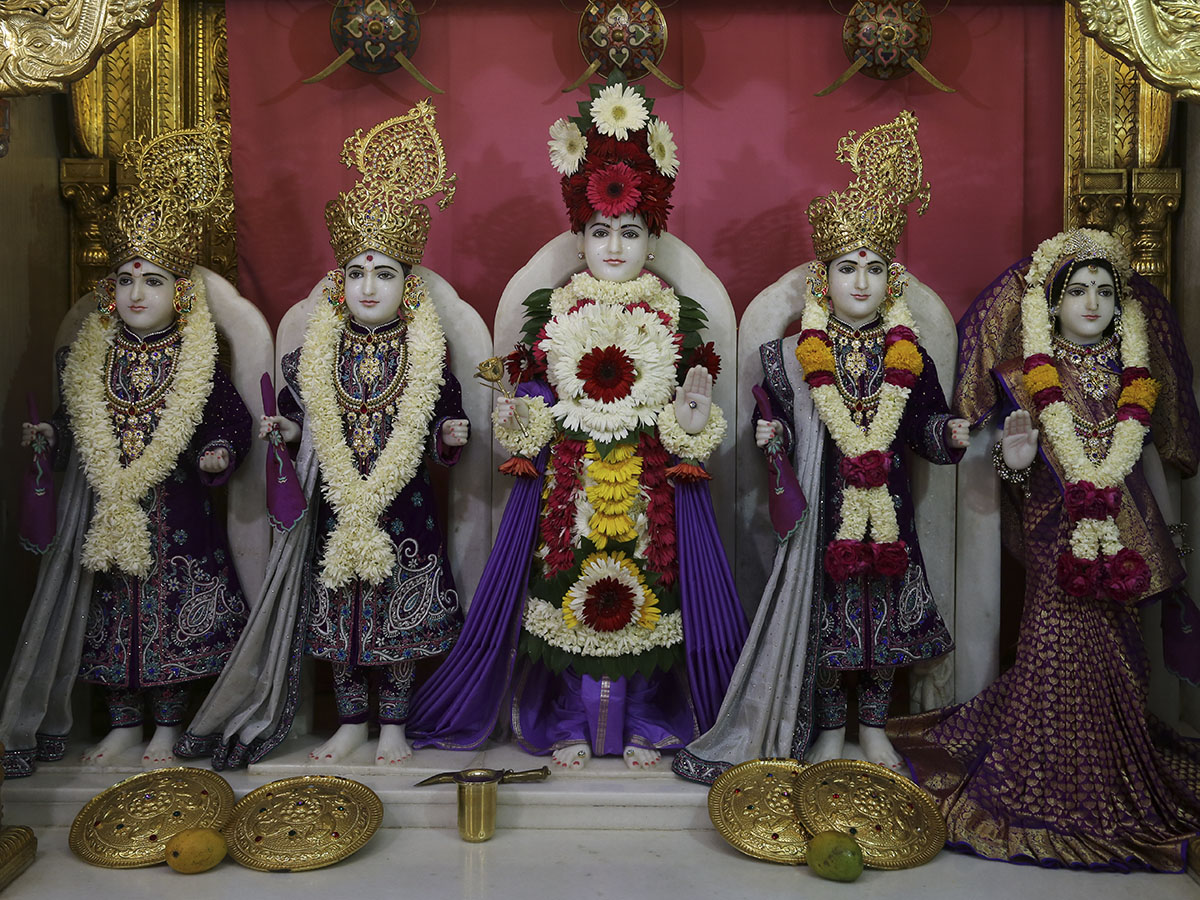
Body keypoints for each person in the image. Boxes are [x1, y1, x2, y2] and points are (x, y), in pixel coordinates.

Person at [406, 76, 747, 770]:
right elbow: (531, 412)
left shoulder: (676, 322)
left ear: (652, 240)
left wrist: (689, 422)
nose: (614, 246)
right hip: (571, 484)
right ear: (580, 236)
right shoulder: (552, 316)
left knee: (650, 594)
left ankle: (646, 721)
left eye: (630, 231)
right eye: (600, 231)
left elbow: (690, 426)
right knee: (564, 590)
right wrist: (519, 415)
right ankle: (564, 719)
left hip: (648, 488)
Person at [891, 228, 1200, 871]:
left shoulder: (1134, 374)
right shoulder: (1028, 375)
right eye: (1078, 290)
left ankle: (1112, 770)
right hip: (1054, 529)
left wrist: (1171, 538)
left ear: (1121, 304)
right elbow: (1011, 472)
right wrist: (1016, 457)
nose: (1092, 302)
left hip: (1121, 534)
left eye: (1105, 292)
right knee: (1053, 647)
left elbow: (1145, 457)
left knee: (1123, 653)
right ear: (1052, 303)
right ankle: (1046, 774)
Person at [674, 111, 967, 784]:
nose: (860, 281)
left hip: (889, 513)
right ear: (822, 278)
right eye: (846, 268)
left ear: (891, 282)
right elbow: (775, 429)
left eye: (873, 268)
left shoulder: (909, 353)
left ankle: (875, 728)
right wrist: (772, 437)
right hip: (825, 518)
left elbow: (923, 425)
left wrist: (946, 434)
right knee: (830, 626)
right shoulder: (793, 356)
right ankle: (832, 730)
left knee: (884, 627)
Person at [176, 101, 466, 768]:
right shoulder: (317, 353)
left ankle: (394, 724)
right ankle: (352, 722)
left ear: (408, 286)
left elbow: (444, 417)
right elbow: (296, 415)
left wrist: (451, 435)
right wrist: (283, 427)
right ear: (340, 283)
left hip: (403, 510)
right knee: (339, 619)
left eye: (384, 273)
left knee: (396, 618)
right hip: (334, 506)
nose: (368, 287)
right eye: (356, 273)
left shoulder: (425, 352)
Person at [0, 123, 251, 776]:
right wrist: (51, 438)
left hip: (176, 518)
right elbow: (73, 420)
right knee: (111, 621)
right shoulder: (92, 357)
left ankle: (166, 727)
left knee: (169, 621)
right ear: (108, 291)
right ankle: (121, 724)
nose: (137, 294)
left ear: (181, 292)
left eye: (154, 281)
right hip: (106, 517)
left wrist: (219, 451)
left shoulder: (196, 358)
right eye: (126, 281)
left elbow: (227, 418)